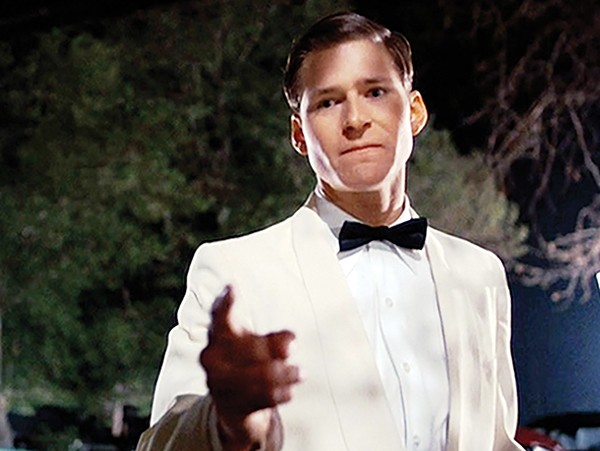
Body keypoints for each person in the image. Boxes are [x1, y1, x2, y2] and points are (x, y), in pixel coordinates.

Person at [136, 11, 524, 451]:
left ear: (414, 111)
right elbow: (159, 443)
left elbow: (497, 440)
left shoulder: (479, 274)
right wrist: (229, 421)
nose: (355, 119)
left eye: (375, 92)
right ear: (299, 135)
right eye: (327, 102)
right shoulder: (233, 272)